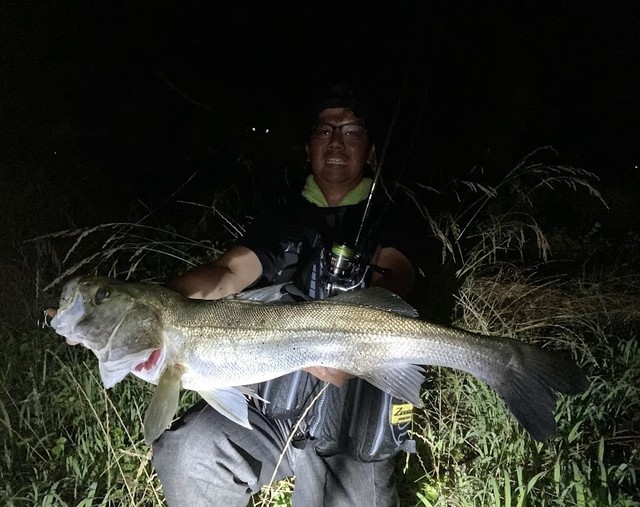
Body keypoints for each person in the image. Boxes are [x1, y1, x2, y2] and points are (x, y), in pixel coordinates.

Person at [152, 83, 425, 506]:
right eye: (324, 131)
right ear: (309, 148)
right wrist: (158, 304)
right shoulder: (283, 217)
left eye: (351, 132)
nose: (336, 142)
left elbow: (397, 280)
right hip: (270, 406)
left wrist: (351, 346)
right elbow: (227, 273)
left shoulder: (398, 215)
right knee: (189, 454)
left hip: (353, 421)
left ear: (371, 152)